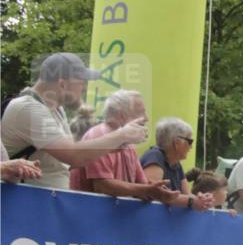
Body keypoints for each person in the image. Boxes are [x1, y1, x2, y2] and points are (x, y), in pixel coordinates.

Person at [1, 52, 148, 189]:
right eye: (82, 82)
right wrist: (122, 134)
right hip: (25, 206)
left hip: (39, 202)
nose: (84, 88)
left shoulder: (56, 109)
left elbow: (69, 158)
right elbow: (74, 156)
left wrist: (115, 142)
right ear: (62, 84)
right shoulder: (29, 109)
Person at [69, 90, 178, 203]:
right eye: (141, 113)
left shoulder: (128, 145)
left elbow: (141, 185)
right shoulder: (99, 136)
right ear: (122, 115)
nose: (146, 118)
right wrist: (148, 190)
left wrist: (156, 191)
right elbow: (102, 187)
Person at [140, 118, 214, 211]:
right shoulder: (154, 156)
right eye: (190, 141)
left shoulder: (175, 163)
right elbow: (153, 193)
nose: (191, 146)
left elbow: (187, 195)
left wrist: (202, 199)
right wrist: (192, 201)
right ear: (177, 142)